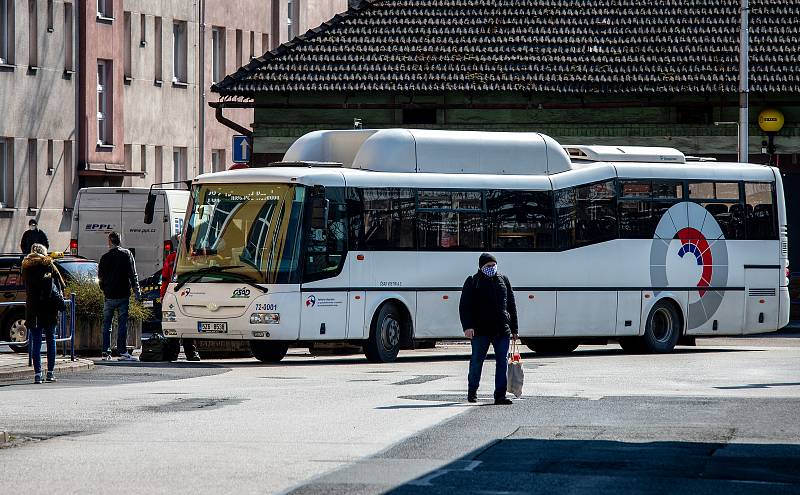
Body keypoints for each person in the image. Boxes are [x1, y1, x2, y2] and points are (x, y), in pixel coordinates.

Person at [459, 253, 518, 405]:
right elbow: (464, 306)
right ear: (481, 267)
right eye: (488, 266)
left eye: (493, 265)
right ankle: (472, 391)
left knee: (502, 362)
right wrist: (467, 327)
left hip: (501, 330)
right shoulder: (473, 281)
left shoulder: (503, 280)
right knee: (477, 361)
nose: (491, 268)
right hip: (480, 330)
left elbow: (511, 304)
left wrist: (514, 329)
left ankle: (500, 395)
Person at [21, 243, 65, 384]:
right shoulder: (47, 265)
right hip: (48, 309)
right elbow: (48, 289)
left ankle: (37, 374)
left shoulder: (26, 267)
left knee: (36, 343)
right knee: (51, 341)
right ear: (44, 252)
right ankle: (50, 373)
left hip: (33, 309)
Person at [98, 231, 141, 361]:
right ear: (119, 240)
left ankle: (106, 352)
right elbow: (133, 274)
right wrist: (137, 292)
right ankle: (122, 352)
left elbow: (100, 277)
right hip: (123, 295)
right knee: (122, 324)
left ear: (109, 241)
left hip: (109, 296)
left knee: (107, 324)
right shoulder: (126, 254)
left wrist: (104, 290)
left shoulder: (104, 257)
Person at [160, 234, 200, 361]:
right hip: (188, 293)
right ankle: (190, 353)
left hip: (176, 292)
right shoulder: (193, 258)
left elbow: (165, 278)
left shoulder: (172, 258)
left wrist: (163, 295)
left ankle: (174, 353)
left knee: (175, 322)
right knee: (185, 323)